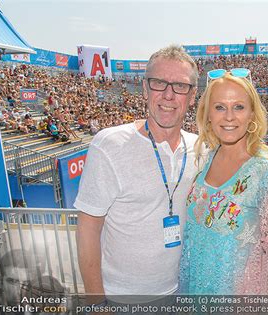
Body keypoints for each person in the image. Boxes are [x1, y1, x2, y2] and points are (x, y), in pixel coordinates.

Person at [75, 45, 199, 305]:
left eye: (180, 86)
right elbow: (88, 228)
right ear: (144, 89)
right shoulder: (109, 144)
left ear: (192, 95)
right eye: (158, 83)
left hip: (182, 290)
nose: (168, 95)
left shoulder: (201, 148)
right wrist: (96, 304)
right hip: (122, 298)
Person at [179, 68, 268, 295]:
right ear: (208, 114)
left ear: (252, 114)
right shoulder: (207, 160)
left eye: (239, 107)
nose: (229, 116)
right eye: (220, 107)